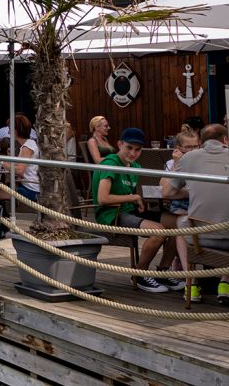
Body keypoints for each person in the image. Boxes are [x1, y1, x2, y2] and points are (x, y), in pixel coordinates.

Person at [92, 128, 172, 293]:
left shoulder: (135, 165)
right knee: (159, 232)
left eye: (137, 149)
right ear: (119, 144)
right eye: (129, 147)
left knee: (177, 225)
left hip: (130, 211)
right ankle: (139, 274)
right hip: (112, 215)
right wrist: (134, 198)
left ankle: (163, 271)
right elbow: (102, 199)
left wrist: (142, 199)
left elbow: (130, 193)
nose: (133, 153)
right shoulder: (111, 163)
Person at [163, 124, 229, 305]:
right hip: (228, 234)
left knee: (182, 224)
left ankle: (191, 285)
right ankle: (225, 283)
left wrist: (191, 189)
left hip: (199, 237)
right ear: (225, 140)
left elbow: (167, 192)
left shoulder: (189, 158)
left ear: (202, 142)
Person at [155, 130, 200, 295]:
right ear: (179, 148)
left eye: (196, 146)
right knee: (181, 221)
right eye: (188, 147)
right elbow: (162, 189)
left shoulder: (202, 162)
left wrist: (182, 191)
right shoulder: (172, 163)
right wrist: (177, 164)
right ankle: (188, 273)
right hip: (179, 207)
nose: (193, 150)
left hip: (198, 206)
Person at [9, 114, 40, 202]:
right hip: (30, 186)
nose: (8, 133)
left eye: (10, 129)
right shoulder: (29, 144)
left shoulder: (27, 147)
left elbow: (19, 170)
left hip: (31, 189)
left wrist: (2, 163)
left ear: (16, 130)